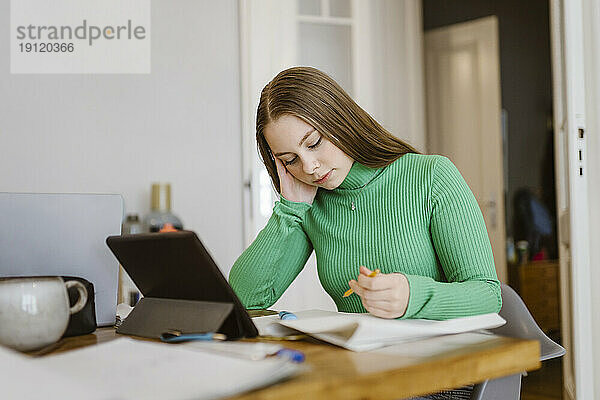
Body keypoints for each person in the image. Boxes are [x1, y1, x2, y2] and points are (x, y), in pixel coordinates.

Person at [229, 66, 501, 323]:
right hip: (361, 365)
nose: (309, 167)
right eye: (290, 160)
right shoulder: (310, 204)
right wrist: (289, 210)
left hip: (438, 363)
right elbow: (244, 300)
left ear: (339, 120)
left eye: (314, 143)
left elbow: (487, 295)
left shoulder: (430, 176)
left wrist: (412, 297)